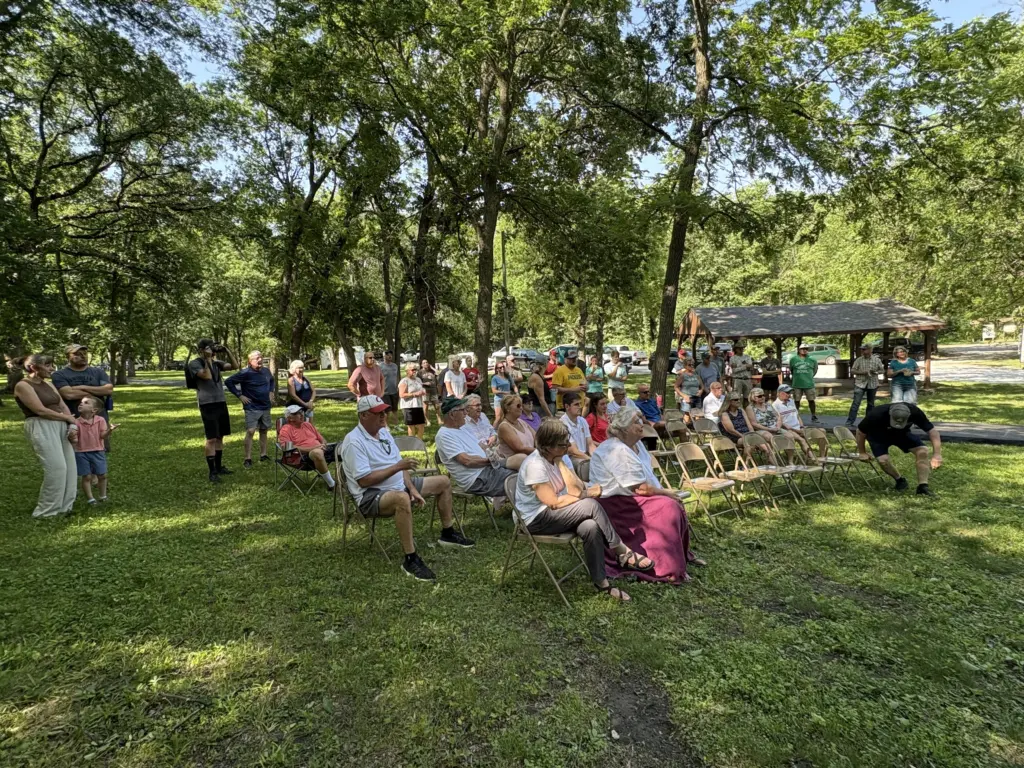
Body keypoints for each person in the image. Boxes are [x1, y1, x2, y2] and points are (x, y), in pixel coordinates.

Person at [515, 419, 655, 602]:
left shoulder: (558, 457)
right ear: (547, 446)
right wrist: (586, 494)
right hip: (535, 519)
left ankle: (602, 583)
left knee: (590, 526)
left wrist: (561, 463)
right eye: (561, 444)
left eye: (567, 441)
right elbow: (554, 502)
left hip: (556, 513)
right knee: (591, 505)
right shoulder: (535, 465)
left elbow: (574, 489)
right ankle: (621, 550)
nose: (567, 446)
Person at [342, 395, 473, 581]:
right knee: (401, 499)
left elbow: (399, 464)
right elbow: (364, 481)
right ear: (363, 416)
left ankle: (448, 533)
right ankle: (410, 559)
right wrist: (398, 469)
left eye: (384, 412)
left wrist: (411, 488)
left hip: (398, 485)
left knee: (443, 481)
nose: (383, 416)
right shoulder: (354, 442)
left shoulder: (384, 432)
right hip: (370, 496)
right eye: (378, 413)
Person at [591, 408, 704, 584]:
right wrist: (668, 493)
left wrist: (664, 493)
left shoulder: (638, 446)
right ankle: (666, 568)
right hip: (615, 505)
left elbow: (649, 478)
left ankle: (680, 557)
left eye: (641, 419)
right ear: (624, 428)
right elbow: (640, 489)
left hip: (632, 498)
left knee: (671, 503)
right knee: (668, 507)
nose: (641, 424)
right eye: (636, 421)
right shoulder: (615, 449)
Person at [13, 354, 79, 517]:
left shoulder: (49, 384)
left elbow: (61, 405)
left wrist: (71, 424)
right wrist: (67, 418)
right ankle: (47, 511)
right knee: (56, 467)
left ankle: (65, 507)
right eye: (48, 365)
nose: (52, 368)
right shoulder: (23, 385)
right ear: (34, 368)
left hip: (61, 425)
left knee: (70, 467)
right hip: (41, 425)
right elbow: (40, 410)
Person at [436, 397, 523, 500]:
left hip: (487, 466)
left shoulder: (462, 428)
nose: (466, 413)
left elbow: (482, 446)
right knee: (523, 477)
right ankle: (524, 511)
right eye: (463, 410)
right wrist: (491, 461)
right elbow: (467, 461)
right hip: (477, 478)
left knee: (522, 459)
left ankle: (524, 505)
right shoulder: (444, 435)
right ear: (452, 414)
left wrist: (493, 453)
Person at [856, 402, 942, 495]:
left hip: (901, 434)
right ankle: (900, 480)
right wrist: (862, 452)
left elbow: (933, 432)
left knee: (922, 451)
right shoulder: (876, 414)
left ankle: (923, 487)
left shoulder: (915, 412)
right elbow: (860, 432)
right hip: (877, 436)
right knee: (883, 461)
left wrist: (937, 455)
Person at [188, 338, 239, 483]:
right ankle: (212, 472)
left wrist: (227, 350)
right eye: (209, 348)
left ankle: (219, 466)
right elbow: (206, 375)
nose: (212, 350)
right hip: (207, 404)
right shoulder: (195, 364)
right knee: (211, 438)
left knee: (220, 436)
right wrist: (207, 358)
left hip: (220, 402)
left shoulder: (217, 363)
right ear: (202, 350)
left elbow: (235, 366)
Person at [226, 350, 276, 468]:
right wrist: (239, 395)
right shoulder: (245, 373)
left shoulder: (266, 371)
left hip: (265, 406)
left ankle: (263, 455)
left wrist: (271, 391)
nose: (260, 360)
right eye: (256, 358)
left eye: (260, 357)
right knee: (251, 431)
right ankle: (247, 458)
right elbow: (229, 381)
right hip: (252, 407)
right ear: (250, 361)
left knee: (264, 430)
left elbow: (272, 380)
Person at [277, 404, 337, 489]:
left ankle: (350, 479)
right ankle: (332, 485)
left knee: (344, 448)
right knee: (317, 453)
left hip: (323, 449)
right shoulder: (286, 429)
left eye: (301, 412)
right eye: (297, 413)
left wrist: (323, 444)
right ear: (289, 418)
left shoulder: (307, 425)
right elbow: (287, 448)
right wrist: (314, 448)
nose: (301, 415)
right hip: (303, 457)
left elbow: (322, 439)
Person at [52, 343, 114, 419]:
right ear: (67, 356)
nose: (83, 356)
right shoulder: (59, 374)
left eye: (85, 353)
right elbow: (69, 394)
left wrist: (81, 387)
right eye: (77, 354)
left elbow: (108, 389)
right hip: (74, 419)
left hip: (99, 418)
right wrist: (98, 392)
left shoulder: (98, 372)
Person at [74, 396, 117, 504]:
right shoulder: (75, 422)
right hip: (81, 452)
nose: (81, 404)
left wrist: (110, 430)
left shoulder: (100, 420)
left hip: (98, 451)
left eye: (86, 403)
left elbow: (102, 435)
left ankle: (103, 496)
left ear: (94, 410)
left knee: (102, 475)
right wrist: (71, 435)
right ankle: (90, 499)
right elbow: (74, 439)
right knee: (87, 476)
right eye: (81, 402)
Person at [847, 342, 884, 427]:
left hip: (873, 383)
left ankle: (868, 422)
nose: (862, 351)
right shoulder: (859, 360)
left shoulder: (877, 360)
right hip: (860, 384)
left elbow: (882, 370)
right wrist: (863, 372)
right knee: (856, 403)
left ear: (870, 350)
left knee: (871, 404)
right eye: (862, 349)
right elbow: (852, 371)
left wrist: (875, 372)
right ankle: (850, 422)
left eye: (864, 349)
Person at [495, 394, 535, 460]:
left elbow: (537, 438)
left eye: (521, 405)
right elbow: (520, 449)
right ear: (507, 408)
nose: (521, 408)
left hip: (530, 458)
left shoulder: (521, 422)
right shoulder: (504, 426)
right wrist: (541, 452)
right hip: (514, 463)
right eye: (518, 406)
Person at [788, 343, 820, 423]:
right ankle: (795, 415)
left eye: (806, 349)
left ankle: (813, 415)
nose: (805, 350)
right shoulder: (793, 359)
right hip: (797, 384)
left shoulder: (812, 359)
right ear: (799, 350)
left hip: (809, 384)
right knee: (796, 400)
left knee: (811, 400)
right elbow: (791, 370)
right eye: (803, 349)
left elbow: (815, 370)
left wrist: (809, 376)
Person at [559, 392, 595, 463]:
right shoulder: (562, 424)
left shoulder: (582, 420)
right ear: (567, 406)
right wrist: (591, 460)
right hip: (571, 459)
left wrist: (595, 457)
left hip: (584, 456)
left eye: (580, 404)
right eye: (576, 404)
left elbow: (590, 444)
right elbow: (574, 451)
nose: (580, 407)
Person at [398, 363, 427, 439]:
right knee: (411, 425)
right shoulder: (404, 381)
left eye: (416, 369)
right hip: (408, 406)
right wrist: (415, 394)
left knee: (421, 424)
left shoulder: (418, 380)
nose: (415, 371)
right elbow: (401, 395)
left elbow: (420, 389)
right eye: (413, 370)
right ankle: (411, 442)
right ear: (407, 371)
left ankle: (419, 442)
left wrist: (423, 392)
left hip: (418, 405)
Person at [418, 358, 443, 426]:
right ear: (421, 365)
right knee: (425, 407)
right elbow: (417, 382)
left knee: (437, 406)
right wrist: (424, 384)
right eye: (424, 363)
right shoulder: (420, 372)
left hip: (433, 390)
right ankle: (427, 420)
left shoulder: (431, 371)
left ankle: (439, 419)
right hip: (425, 391)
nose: (426, 364)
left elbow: (439, 373)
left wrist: (432, 368)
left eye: (427, 362)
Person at [379, 351, 400, 428]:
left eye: (391, 355)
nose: (390, 356)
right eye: (388, 355)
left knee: (395, 409)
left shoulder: (395, 366)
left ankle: (396, 425)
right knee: (387, 410)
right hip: (385, 391)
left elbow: (396, 377)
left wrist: (398, 386)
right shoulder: (380, 366)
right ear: (384, 356)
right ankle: (386, 425)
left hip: (394, 390)